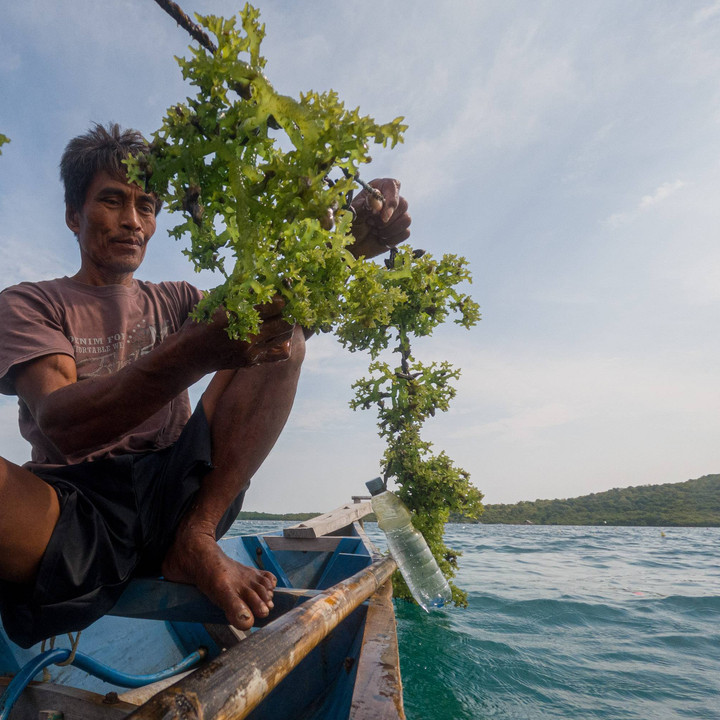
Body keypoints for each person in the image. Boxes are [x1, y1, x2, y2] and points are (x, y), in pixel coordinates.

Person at [0, 123, 411, 648]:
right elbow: (63, 425)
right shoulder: (30, 302)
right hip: (75, 506)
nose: (132, 221)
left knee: (283, 335)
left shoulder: (177, 299)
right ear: (73, 216)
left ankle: (195, 542)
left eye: (146, 206)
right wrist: (192, 352)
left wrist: (347, 247)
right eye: (111, 200)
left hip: (187, 495)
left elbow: (276, 314)